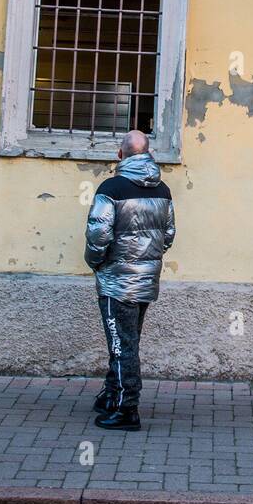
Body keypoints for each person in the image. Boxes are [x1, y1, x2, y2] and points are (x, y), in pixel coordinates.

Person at [83, 130, 175, 431]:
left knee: (123, 345)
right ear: (147, 153)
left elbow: (98, 234)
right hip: (146, 280)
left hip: (117, 282)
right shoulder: (163, 190)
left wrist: (96, 262)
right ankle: (110, 396)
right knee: (126, 340)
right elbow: (169, 234)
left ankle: (127, 409)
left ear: (120, 154)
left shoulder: (111, 187)